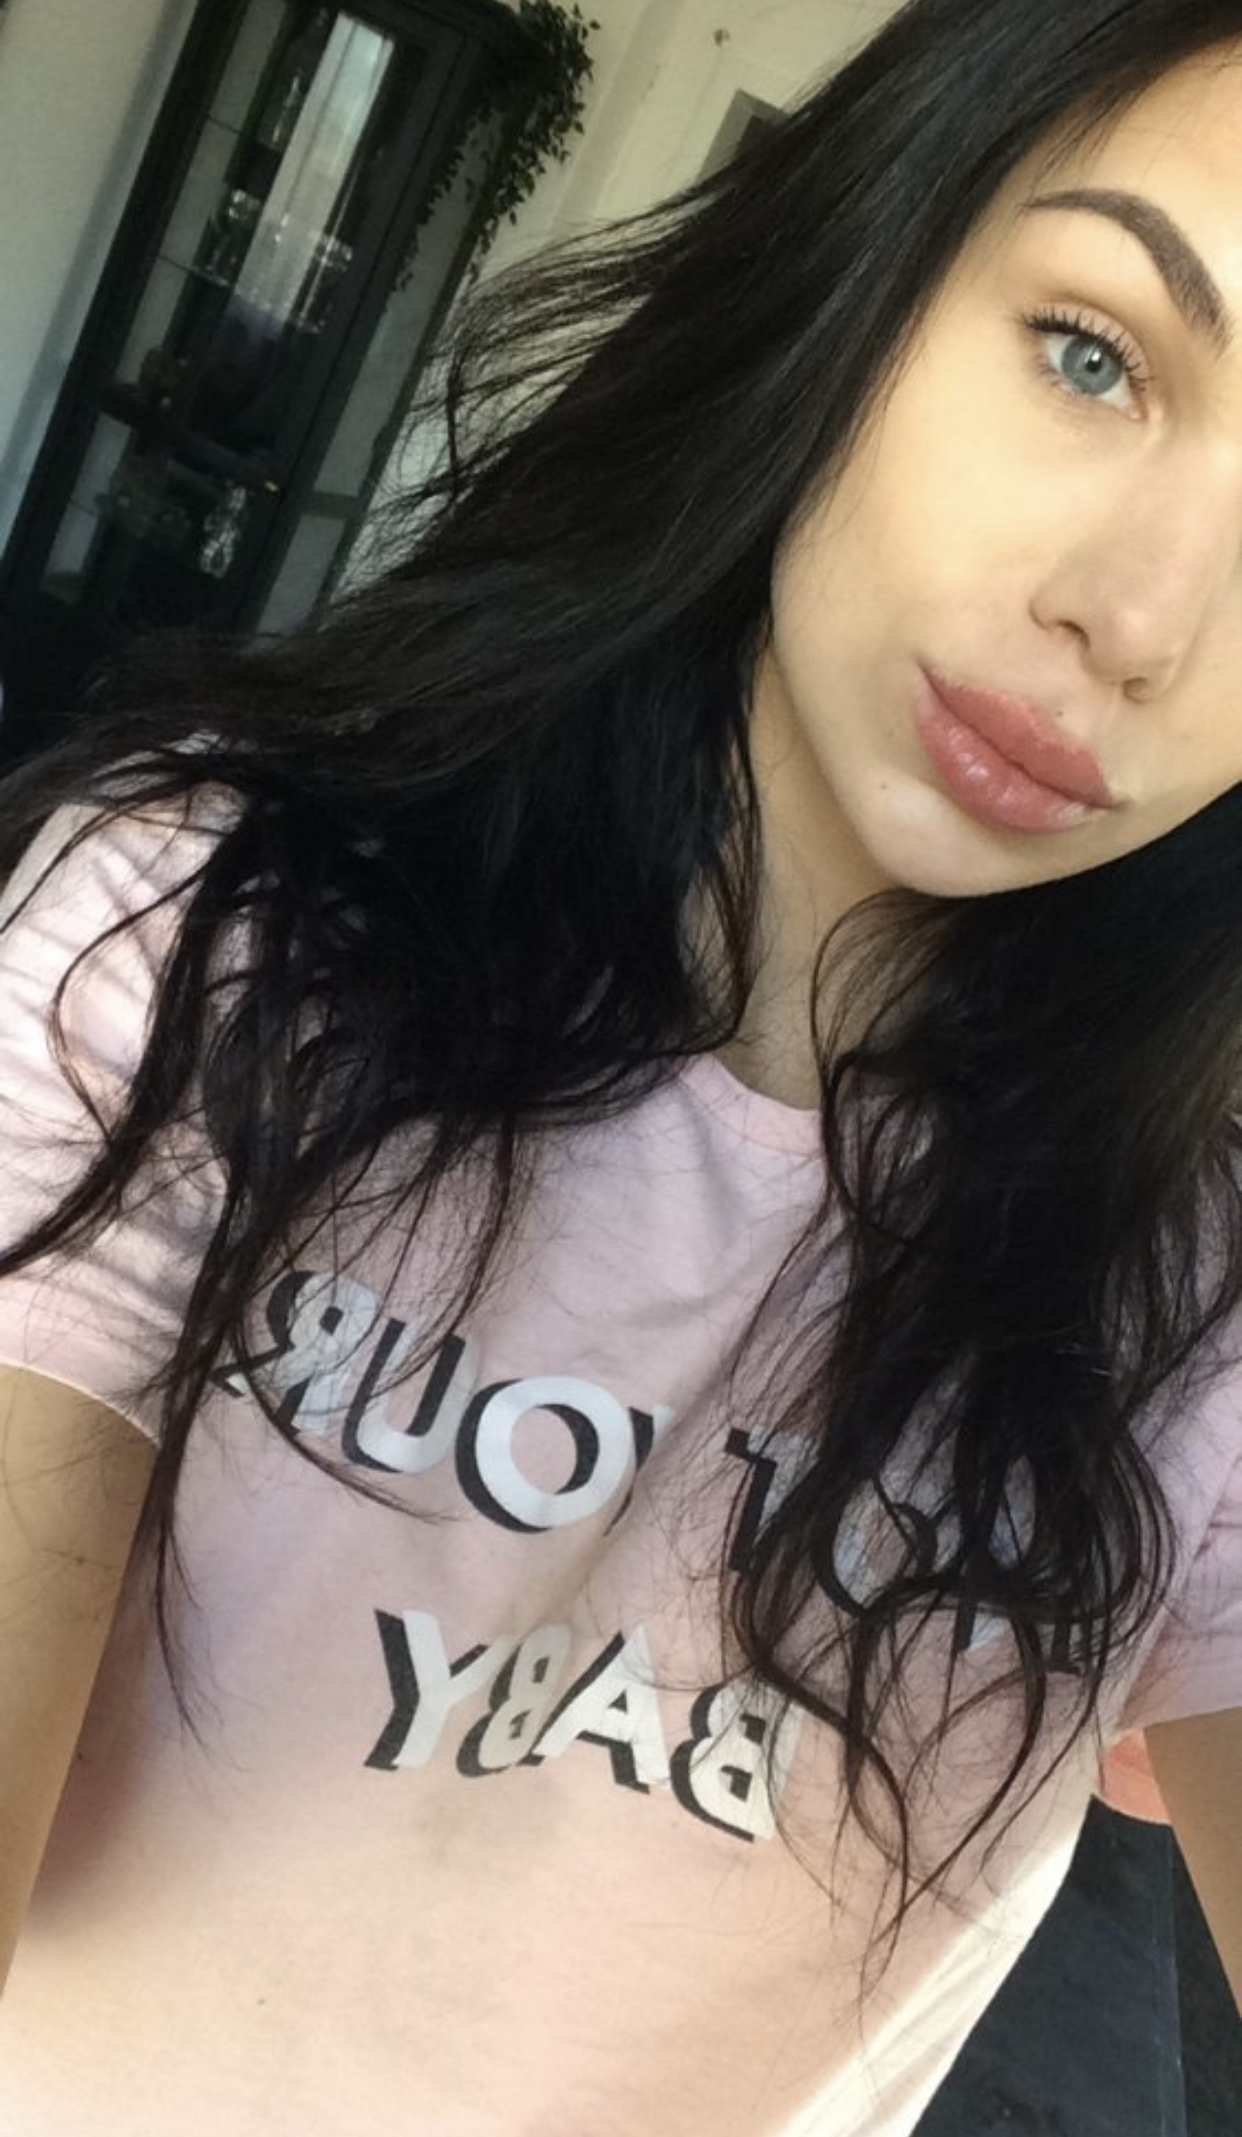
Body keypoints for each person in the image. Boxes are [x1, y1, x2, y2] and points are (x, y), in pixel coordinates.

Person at [0, 0, 1239, 2129]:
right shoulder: (207, 936)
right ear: (872, 259)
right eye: (1088, 353)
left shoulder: (1195, 1287)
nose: (1140, 619)